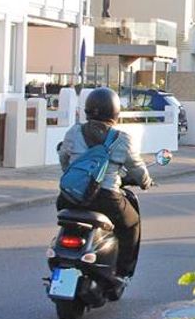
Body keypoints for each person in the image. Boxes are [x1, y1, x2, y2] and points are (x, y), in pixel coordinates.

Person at [57, 87, 150, 278]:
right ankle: (121, 272)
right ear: (115, 112)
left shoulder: (73, 132)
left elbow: (64, 159)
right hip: (107, 198)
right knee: (132, 224)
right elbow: (137, 169)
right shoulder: (122, 139)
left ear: (88, 109)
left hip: (70, 197)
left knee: (66, 220)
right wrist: (146, 182)